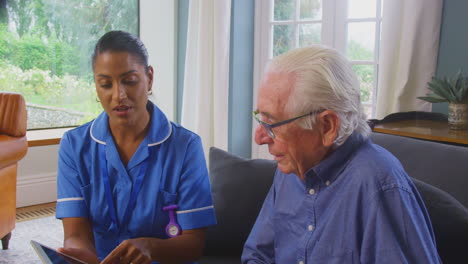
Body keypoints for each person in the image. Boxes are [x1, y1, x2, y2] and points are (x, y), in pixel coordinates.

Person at [242, 46, 441, 263]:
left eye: (272, 123)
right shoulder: (291, 167)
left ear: (327, 126)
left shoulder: (379, 185)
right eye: (260, 118)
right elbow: (258, 255)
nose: (259, 137)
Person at [55, 30, 216, 264]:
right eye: (105, 84)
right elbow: (76, 234)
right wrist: (78, 253)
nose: (118, 95)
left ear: (149, 78)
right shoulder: (74, 145)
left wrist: (151, 247)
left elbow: (194, 245)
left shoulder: (186, 146)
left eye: (129, 81)